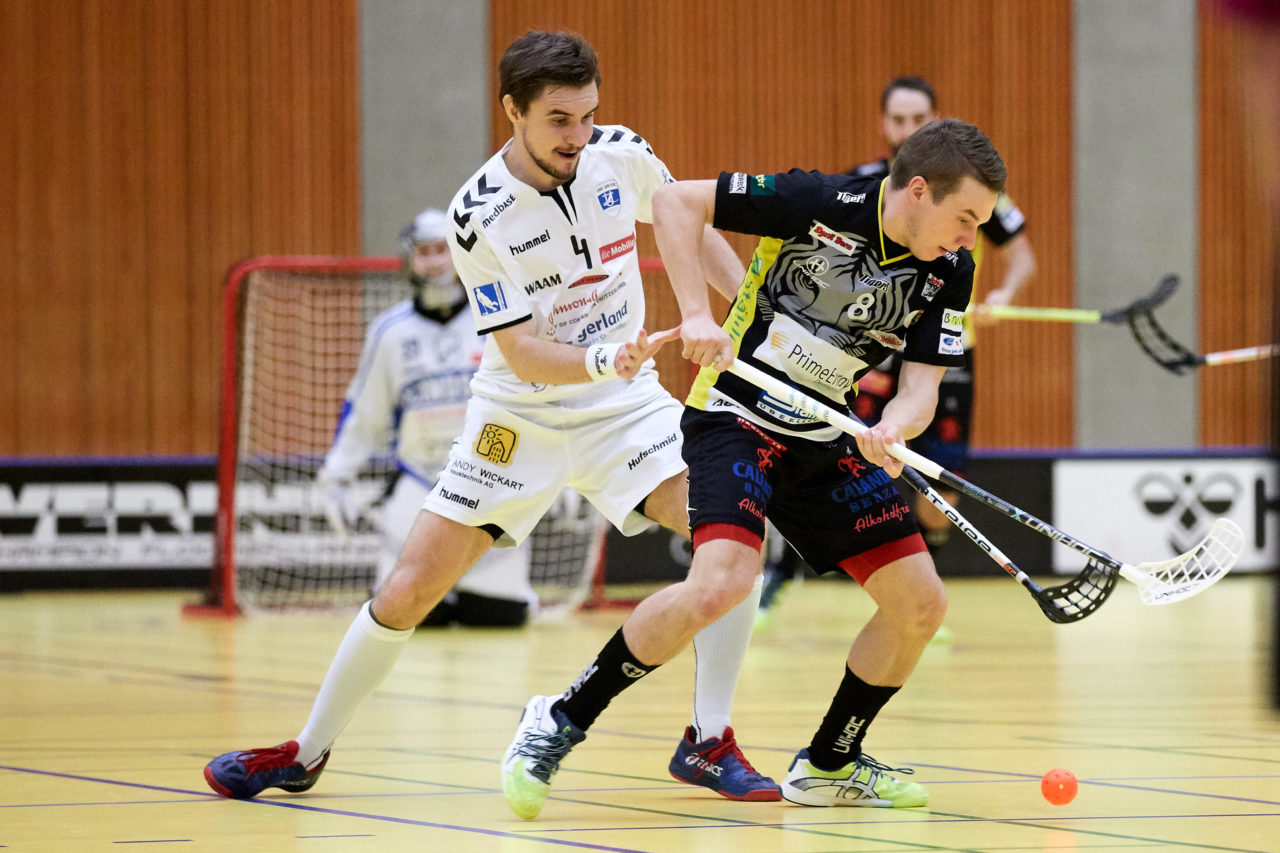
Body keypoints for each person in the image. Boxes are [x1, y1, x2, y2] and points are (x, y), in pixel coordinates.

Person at [203, 30, 779, 807]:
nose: (578, 137)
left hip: (625, 408)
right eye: (558, 122)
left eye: (587, 116)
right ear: (511, 111)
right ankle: (304, 751)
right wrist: (606, 358)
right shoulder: (477, 218)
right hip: (523, 411)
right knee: (409, 588)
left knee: (731, 536)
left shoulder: (621, 153)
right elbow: (520, 351)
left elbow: (688, 224)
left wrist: (748, 319)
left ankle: (708, 739)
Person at [504, 117, 1006, 813]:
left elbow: (920, 388)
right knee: (722, 582)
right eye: (965, 217)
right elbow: (677, 203)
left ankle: (830, 762)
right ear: (918, 190)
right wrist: (695, 313)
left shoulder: (952, 270)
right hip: (735, 417)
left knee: (920, 603)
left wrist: (894, 426)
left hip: (825, 432)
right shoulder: (819, 201)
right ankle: (559, 718)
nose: (969, 235)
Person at [316, 207, 537, 627]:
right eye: (424, 252)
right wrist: (337, 476)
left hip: (493, 475)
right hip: (417, 480)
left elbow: (536, 390)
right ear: (409, 259)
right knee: (404, 611)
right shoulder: (389, 331)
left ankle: (471, 592)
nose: (434, 261)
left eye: (443, 250)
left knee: (499, 617)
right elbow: (365, 411)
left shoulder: (498, 317)